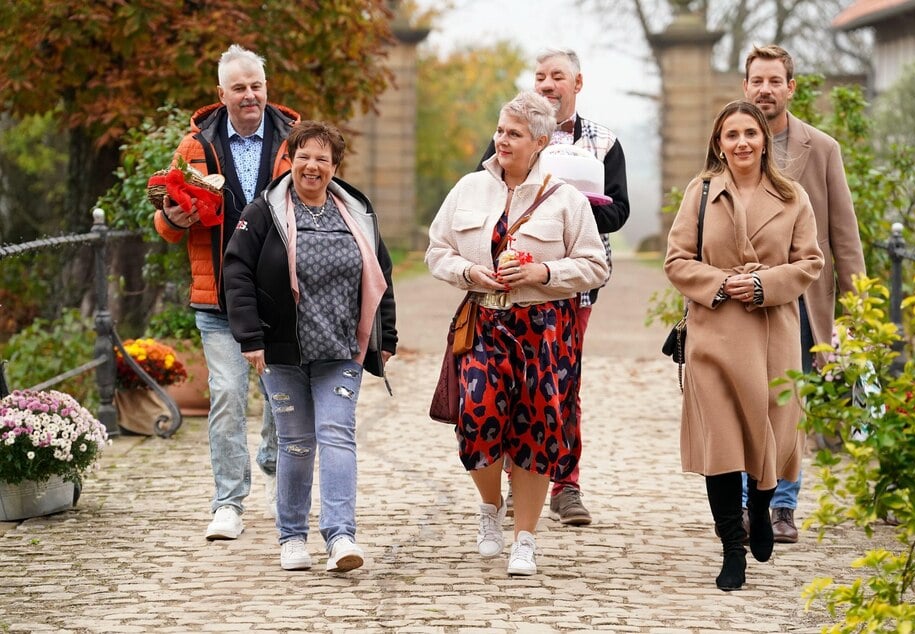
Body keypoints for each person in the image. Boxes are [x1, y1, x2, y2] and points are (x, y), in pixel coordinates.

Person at [427, 91, 609, 576]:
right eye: (500, 130)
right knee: (476, 415)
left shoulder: (567, 200)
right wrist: (470, 272)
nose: (502, 140)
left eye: (514, 134)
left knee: (537, 429)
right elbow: (436, 251)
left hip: (545, 329)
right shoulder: (468, 188)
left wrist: (543, 274)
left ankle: (524, 538)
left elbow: (595, 265)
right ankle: (490, 508)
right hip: (484, 319)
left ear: (541, 142)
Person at [223, 120, 397, 572]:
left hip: (341, 347)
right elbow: (237, 272)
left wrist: (388, 336)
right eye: (304, 156)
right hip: (282, 349)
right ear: (290, 161)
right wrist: (250, 336)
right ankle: (292, 537)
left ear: (335, 167)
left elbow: (381, 272)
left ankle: (341, 537)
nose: (312, 166)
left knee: (337, 435)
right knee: (296, 443)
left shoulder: (356, 211)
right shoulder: (264, 212)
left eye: (323, 158)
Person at [664, 100, 824, 591]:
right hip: (713, 334)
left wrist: (762, 286)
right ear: (719, 143)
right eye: (731, 134)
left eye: (749, 133)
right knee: (722, 445)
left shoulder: (792, 196)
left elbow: (809, 263)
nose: (741, 143)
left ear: (762, 140)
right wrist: (719, 283)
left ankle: (760, 503)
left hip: (771, 333)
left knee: (769, 437)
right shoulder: (701, 191)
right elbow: (676, 259)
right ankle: (731, 547)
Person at [478, 47, 630, 526]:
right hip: (510, 282)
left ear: (577, 84)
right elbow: (486, 194)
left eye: (556, 76)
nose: (546, 83)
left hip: (574, 282)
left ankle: (566, 484)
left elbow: (620, 211)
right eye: (540, 75)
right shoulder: (508, 134)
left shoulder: (604, 142)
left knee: (562, 384)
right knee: (507, 381)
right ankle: (517, 476)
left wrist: (572, 206)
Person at [154, 44, 299, 540]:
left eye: (256, 85)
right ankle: (229, 502)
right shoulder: (194, 145)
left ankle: (276, 466)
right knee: (228, 396)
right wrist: (174, 216)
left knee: (282, 400)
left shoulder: (293, 139)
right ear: (222, 94)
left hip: (280, 297)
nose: (250, 95)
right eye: (239, 88)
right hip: (216, 297)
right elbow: (166, 224)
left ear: (266, 87)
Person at [740, 44, 866, 543]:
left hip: (805, 300)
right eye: (757, 81)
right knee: (749, 398)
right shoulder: (731, 142)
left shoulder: (823, 148)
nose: (765, 90)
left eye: (775, 81)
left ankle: (783, 507)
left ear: (791, 87)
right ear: (745, 87)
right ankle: (749, 502)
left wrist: (856, 310)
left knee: (790, 402)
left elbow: (845, 237)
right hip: (746, 296)